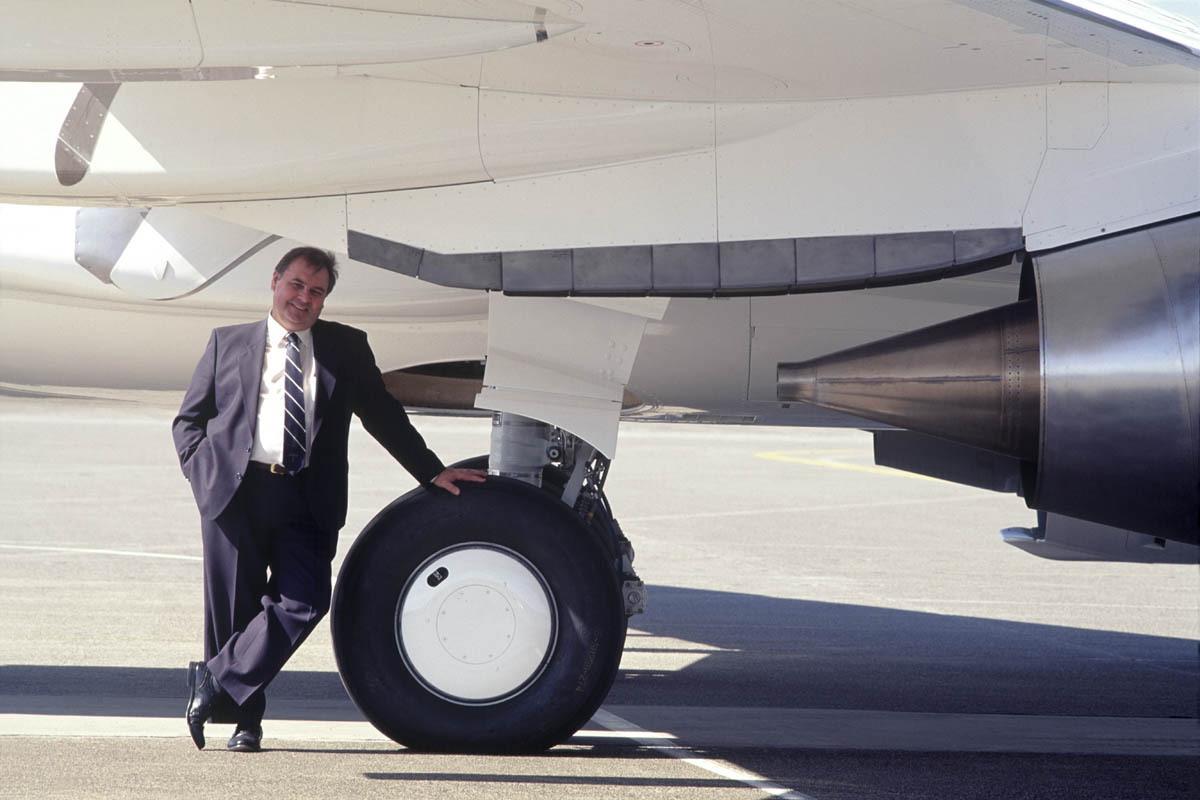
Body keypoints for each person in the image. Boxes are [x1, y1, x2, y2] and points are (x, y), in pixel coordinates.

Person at [172, 246, 485, 752]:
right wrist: (202, 474)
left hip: (308, 498)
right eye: (296, 285)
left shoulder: (345, 347)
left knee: (306, 599)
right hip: (237, 494)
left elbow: (382, 415)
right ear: (275, 281)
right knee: (235, 614)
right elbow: (189, 421)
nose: (304, 298)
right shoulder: (227, 343)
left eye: (316, 292)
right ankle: (244, 722)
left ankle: (212, 680)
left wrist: (431, 470)